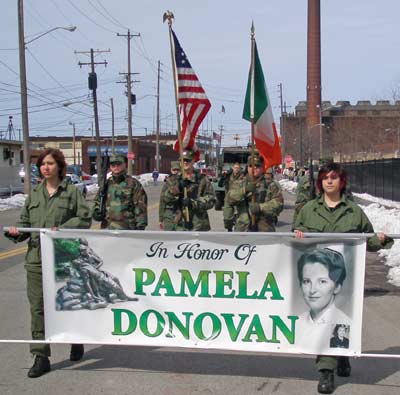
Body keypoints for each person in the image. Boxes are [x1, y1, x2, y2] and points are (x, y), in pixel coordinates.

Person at [293, 162, 393, 394]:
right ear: (320, 182)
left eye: (334, 177)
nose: (329, 181)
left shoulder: (353, 212)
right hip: (319, 279)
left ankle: (342, 353)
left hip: (344, 278)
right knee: (323, 321)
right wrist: (297, 234)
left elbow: (367, 239)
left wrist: (381, 239)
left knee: (341, 320)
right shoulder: (308, 210)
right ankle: (326, 371)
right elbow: (296, 239)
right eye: (325, 177)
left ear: (341, 181)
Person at [4, 148, 92, 378]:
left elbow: (84, 218)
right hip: (36, 259)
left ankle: (75, 339)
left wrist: (64, 229)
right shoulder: (34, 195)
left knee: (68, 303)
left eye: (50, 163)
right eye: (43, 164)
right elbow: (25, 223)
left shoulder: (71, 192)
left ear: (59, 166)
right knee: (38, 308)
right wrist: (16, 231)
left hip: (64, 255)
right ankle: (41, 356)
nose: (46, 167)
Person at [296, 248, 351, 351]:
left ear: (337, 287)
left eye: (322, 281)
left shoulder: (344, 324)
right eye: (307, 281)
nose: (312, 290)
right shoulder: (295, 323)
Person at [160, 149, 215, 231]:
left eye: (188, 160)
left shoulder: (202, 179)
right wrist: (178, 188)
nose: (185, 162)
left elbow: (211, 200)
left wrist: (193, 203)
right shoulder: (172, 180)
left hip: (198, 225)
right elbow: (166, 199)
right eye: (183, 160)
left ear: (193, 161)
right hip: (177, 225)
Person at [92, 154, 148, 230]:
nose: (116, 167)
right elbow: (97, 202)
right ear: (110, 167)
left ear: (124, 165)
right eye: (113, 165)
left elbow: (140, 206)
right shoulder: (106, 184)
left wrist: (140, 226)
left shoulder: (133, 184)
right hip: (108, 228)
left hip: (128, 228)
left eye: (118, 164)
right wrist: (96, 213)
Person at [234, 153, 284, 232]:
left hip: (265, 229)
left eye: (257, 166)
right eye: (251, 166)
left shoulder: (271, 184)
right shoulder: (239, 183)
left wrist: (260, 207)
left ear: (262, 168)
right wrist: (245, 190)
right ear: (247, 167)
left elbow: (279, 204)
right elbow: (229, 198)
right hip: (242, 229)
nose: (254, 168)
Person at [218, 162, 244, 231]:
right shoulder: (228, 175)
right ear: (233, 168)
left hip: (239, 199)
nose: (236, 169)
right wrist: (223, 177)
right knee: (227, 218)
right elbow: (220, 185)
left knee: (240, 219)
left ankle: (237, 230)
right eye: (235, 168)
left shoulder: (242, 176)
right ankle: (229, 228)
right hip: (228, 199)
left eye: (238, 168)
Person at [159, 161, 181, 230]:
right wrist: (160, 219)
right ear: (171, 170)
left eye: (178, 170)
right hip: (169, 213)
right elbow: (162, 202)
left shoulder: (183, 182)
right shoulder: (167, 184)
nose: (176, 172)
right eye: (174, 170)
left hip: (181, 212)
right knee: (168, 237)